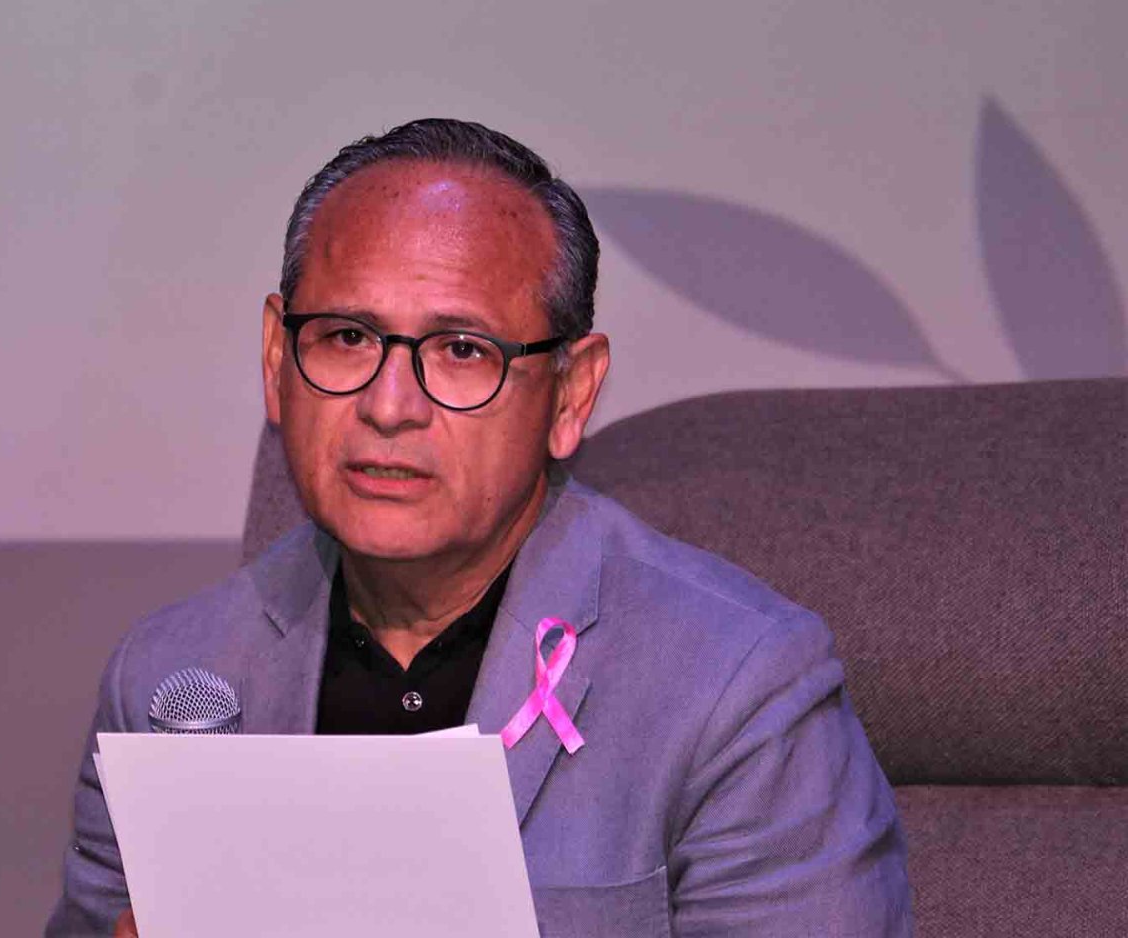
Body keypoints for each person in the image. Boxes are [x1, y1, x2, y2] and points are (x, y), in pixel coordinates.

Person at [46, 118, 912, 936]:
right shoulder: (171, 677)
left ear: (571, 394)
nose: (389, 406)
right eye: (346, 337)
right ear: (278, 360)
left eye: (463, 350)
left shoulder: (737, 687)